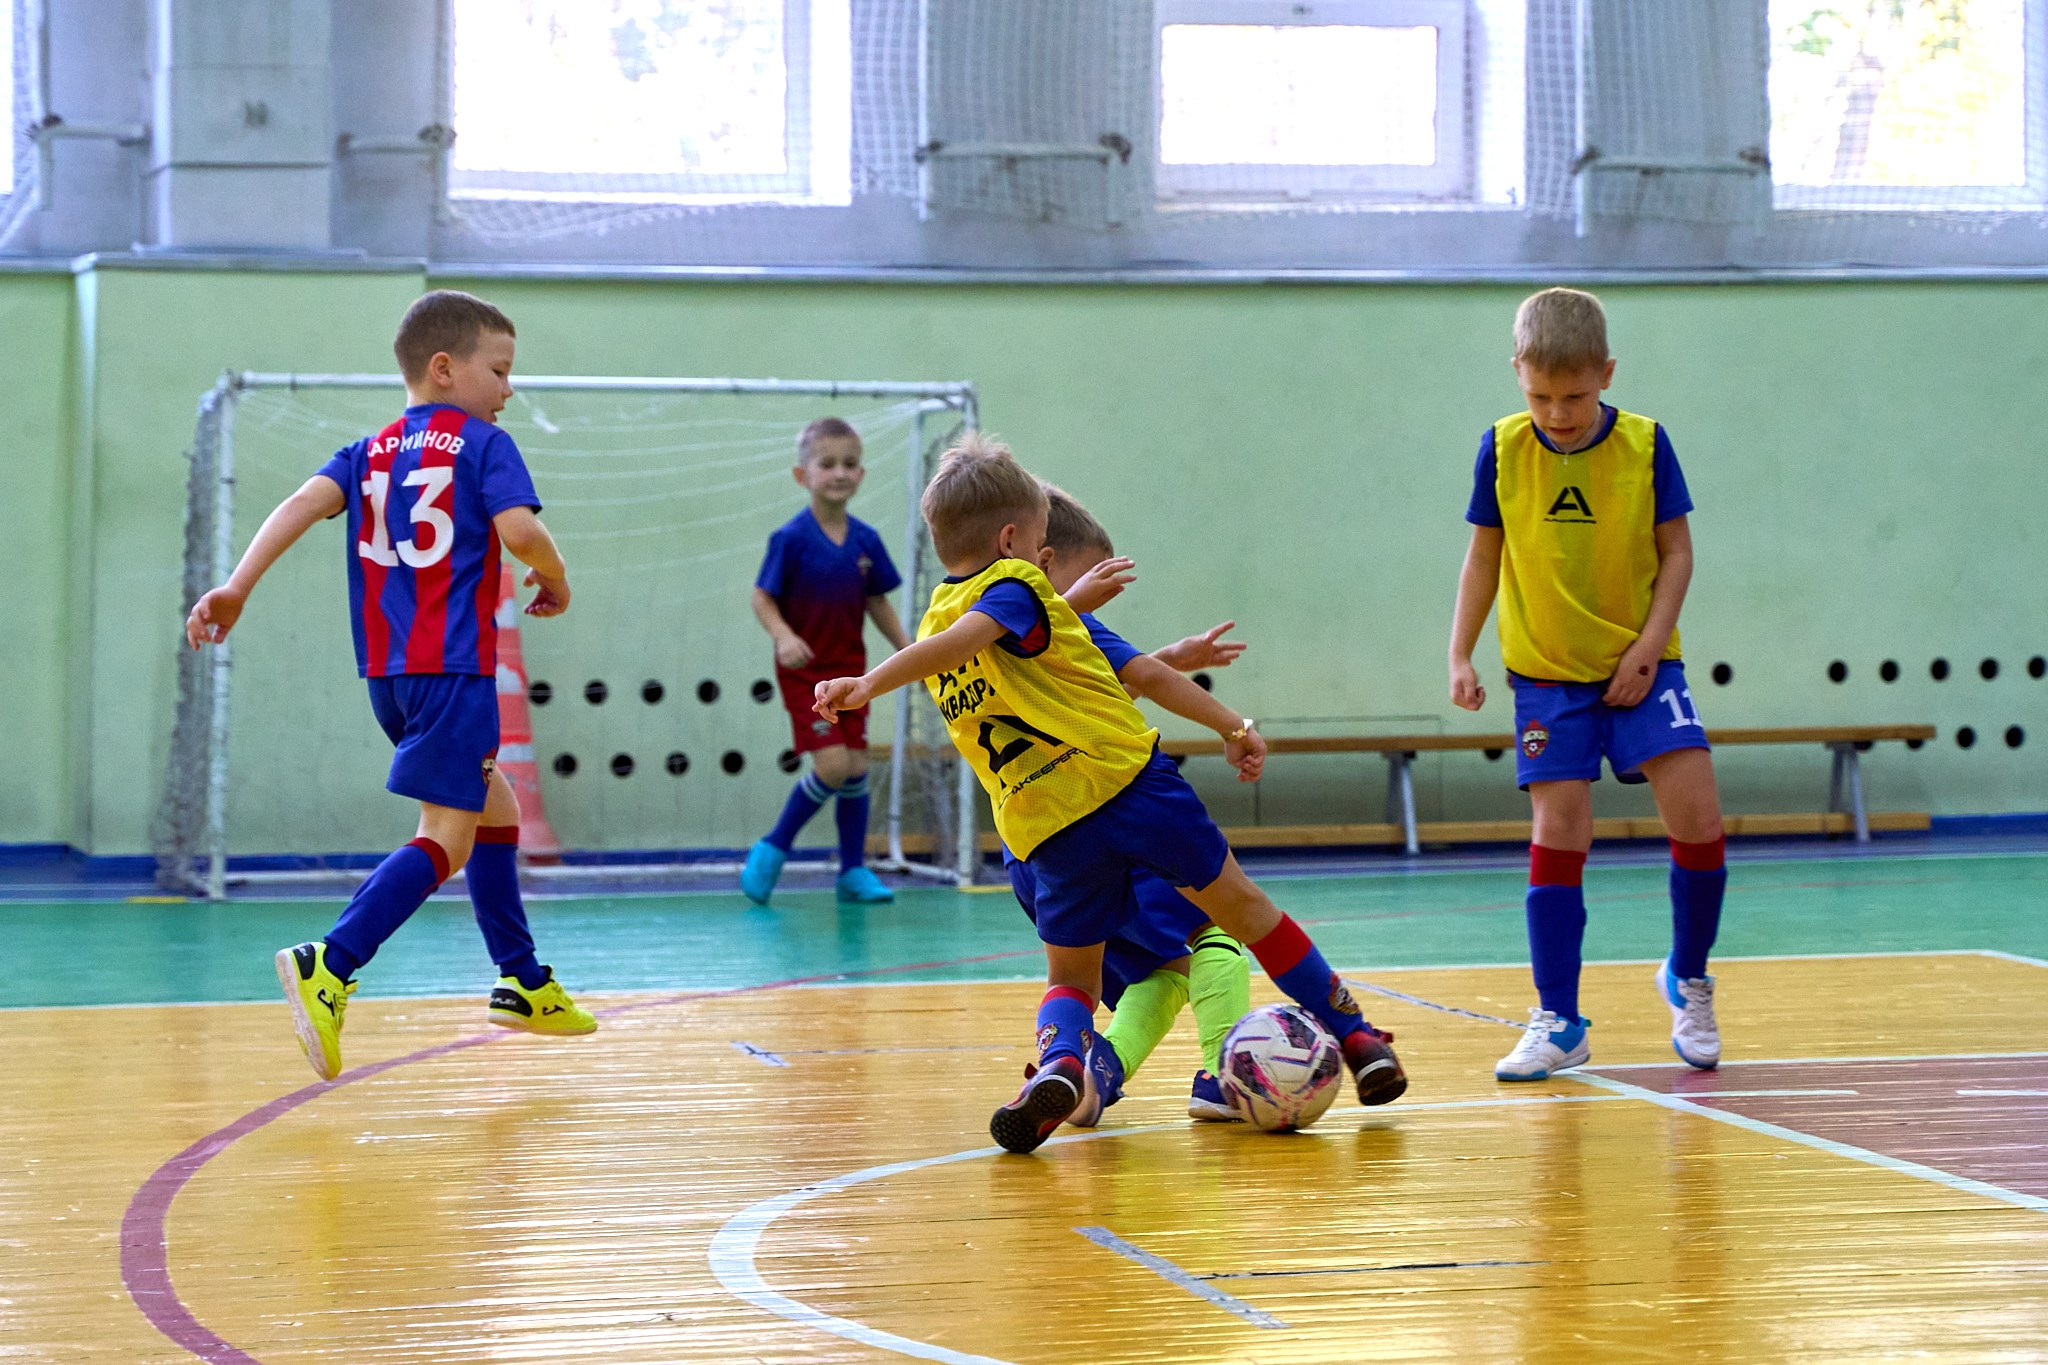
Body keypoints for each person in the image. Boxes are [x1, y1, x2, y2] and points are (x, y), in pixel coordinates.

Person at [816, 434, 1408, 1155]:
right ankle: (1355, 1034)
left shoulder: (937, 620)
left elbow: (995, 646)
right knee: (1243, 913)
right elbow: (1118, 669)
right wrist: (1233, 725)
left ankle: (1067, 1064)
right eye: (1038, 543)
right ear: (1012, 541)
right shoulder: (1016, 589)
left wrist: (881, 677)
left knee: (1071, 975)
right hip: (1126, 784)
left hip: (1045, 825)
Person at [184, 289, 596, 1082]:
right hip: (454, 671)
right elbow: (520, 531)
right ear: (444, 368)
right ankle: (332, 960)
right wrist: (557, 574)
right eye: (499, 370)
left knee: (493, 804)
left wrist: (236, 586)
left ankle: (523, 980)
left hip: (389, 676)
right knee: (446, 835)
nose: (509, 389)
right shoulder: (484, 444)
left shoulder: (367, 451)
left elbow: (300, 504)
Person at [1447, 286, 1727, 1082]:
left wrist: (1648, 647)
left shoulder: (1646, 445)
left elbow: (1677, 553)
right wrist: (1460, 653)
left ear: (1606, 373)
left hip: (1644, 664)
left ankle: (1688, 975)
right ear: (1517, 372)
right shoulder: (1502, 448)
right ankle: (1559, 1018)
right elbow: (1484, 556)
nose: (1557, 412)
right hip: (1546, 676)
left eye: (1573, 396)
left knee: (1699, 816)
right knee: (1559, 828)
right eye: (1541, 395)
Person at [1012, 483, 1254, 1125]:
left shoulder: (993, 642)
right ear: (1044, 562)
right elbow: (1141, 677)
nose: (1105, 594)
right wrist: (1233, 725)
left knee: (1163, 971)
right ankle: (1225, 1076)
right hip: (1106, 824)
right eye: (1095, 575)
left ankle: (1094, 1074)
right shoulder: (1061, 621)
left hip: (1032, 849)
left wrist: (1173, 656)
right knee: (1215, 929)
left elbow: (1104, 694)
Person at [742, 418, 911, 905]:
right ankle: (773, 847)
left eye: (850, 464)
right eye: (828, 463)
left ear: (861, 474)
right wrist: (783, 636)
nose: (839, 473)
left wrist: (909, 652)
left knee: (856, 766)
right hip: (806, 675)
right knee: (834, 764)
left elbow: (877, 601)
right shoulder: (790, 539)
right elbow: (761, 597)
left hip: (851, 674)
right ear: (803, 475)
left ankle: (852, 872)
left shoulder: (866, 541)